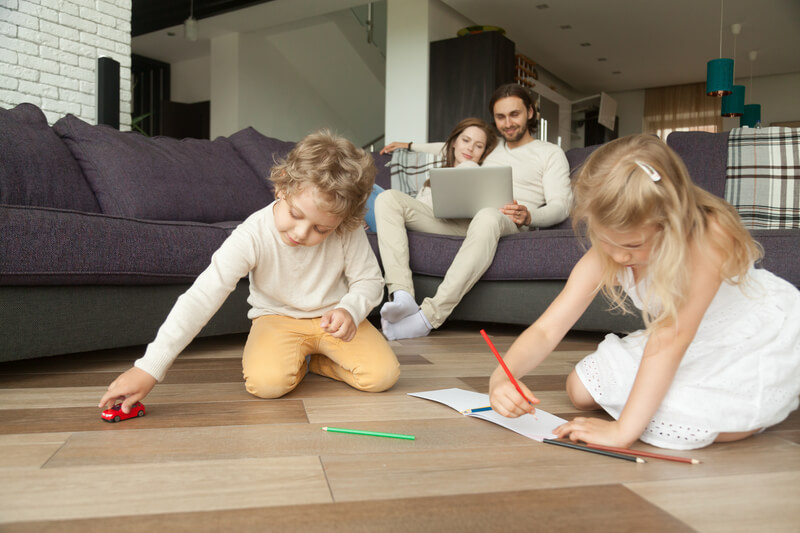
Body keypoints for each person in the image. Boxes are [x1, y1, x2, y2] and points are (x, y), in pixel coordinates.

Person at [489, 134, 800, 450]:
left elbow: (670, 340)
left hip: (743, 336)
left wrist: (623, 431)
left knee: (695, 417)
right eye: (605, 239)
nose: (619, 256)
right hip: (676, 337)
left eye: (633, 245)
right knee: (580, 390)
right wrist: (502, 376)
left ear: (670, 222)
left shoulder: (707, 239)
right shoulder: (608, 251)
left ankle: (754, 408)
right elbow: (547, 329)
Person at [99, 130, 401, 414]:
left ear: (342, 221)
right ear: (282, 186)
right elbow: (202, 296)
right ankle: (302, 360)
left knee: (383, 376)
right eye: (295, 214)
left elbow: (369, 281)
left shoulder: (347, 230)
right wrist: (149, 367)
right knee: (266, 385)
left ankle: (319, 363)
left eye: (321, 229)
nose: (301, 232)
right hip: (277, 319)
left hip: (333, 318)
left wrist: (350, 309)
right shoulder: (252, 234)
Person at [376, 84, 571, 341]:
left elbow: (561, 205)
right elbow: (450, 146)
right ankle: (402, 296)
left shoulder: (550, 153)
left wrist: (530, 215)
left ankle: (428, 317)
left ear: (531, 113)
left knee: (488, 214)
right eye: (500, 117)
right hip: (462, 219)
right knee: (389, 199)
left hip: (507, 221)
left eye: (515, 114)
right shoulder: (490, 148)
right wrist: (410, 146)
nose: (508, 123)